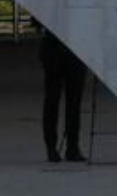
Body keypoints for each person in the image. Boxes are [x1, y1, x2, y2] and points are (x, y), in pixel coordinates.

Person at [39, 31, 88, 164]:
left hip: (72, 51)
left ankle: (69, 148)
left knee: (71, 103)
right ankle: (55, 148)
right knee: (55, 102)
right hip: (59, 50)